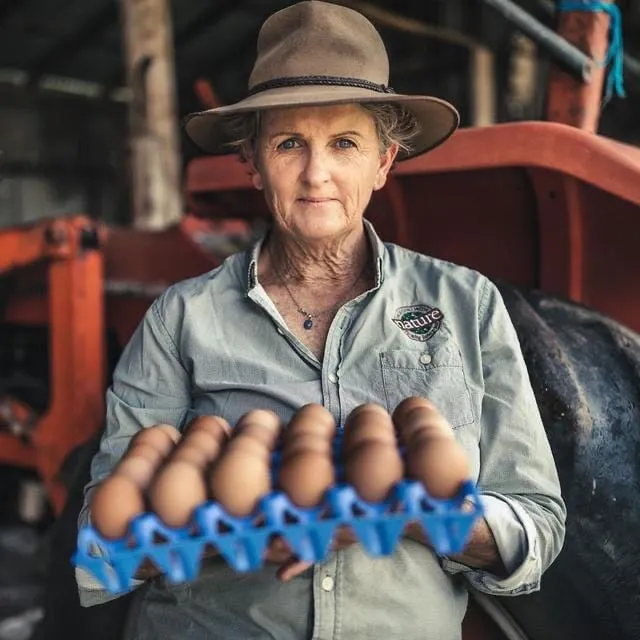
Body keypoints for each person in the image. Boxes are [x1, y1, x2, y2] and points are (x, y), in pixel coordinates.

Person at [75, 2, 566, 638]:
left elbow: (538, 525)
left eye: (344, 143)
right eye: (288, 144)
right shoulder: (183, 318)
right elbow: (101, 537)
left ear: (384, 163)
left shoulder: (466, 307)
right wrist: (228, 532)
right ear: (251, 161)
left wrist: (404, 513)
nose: (316, 174)